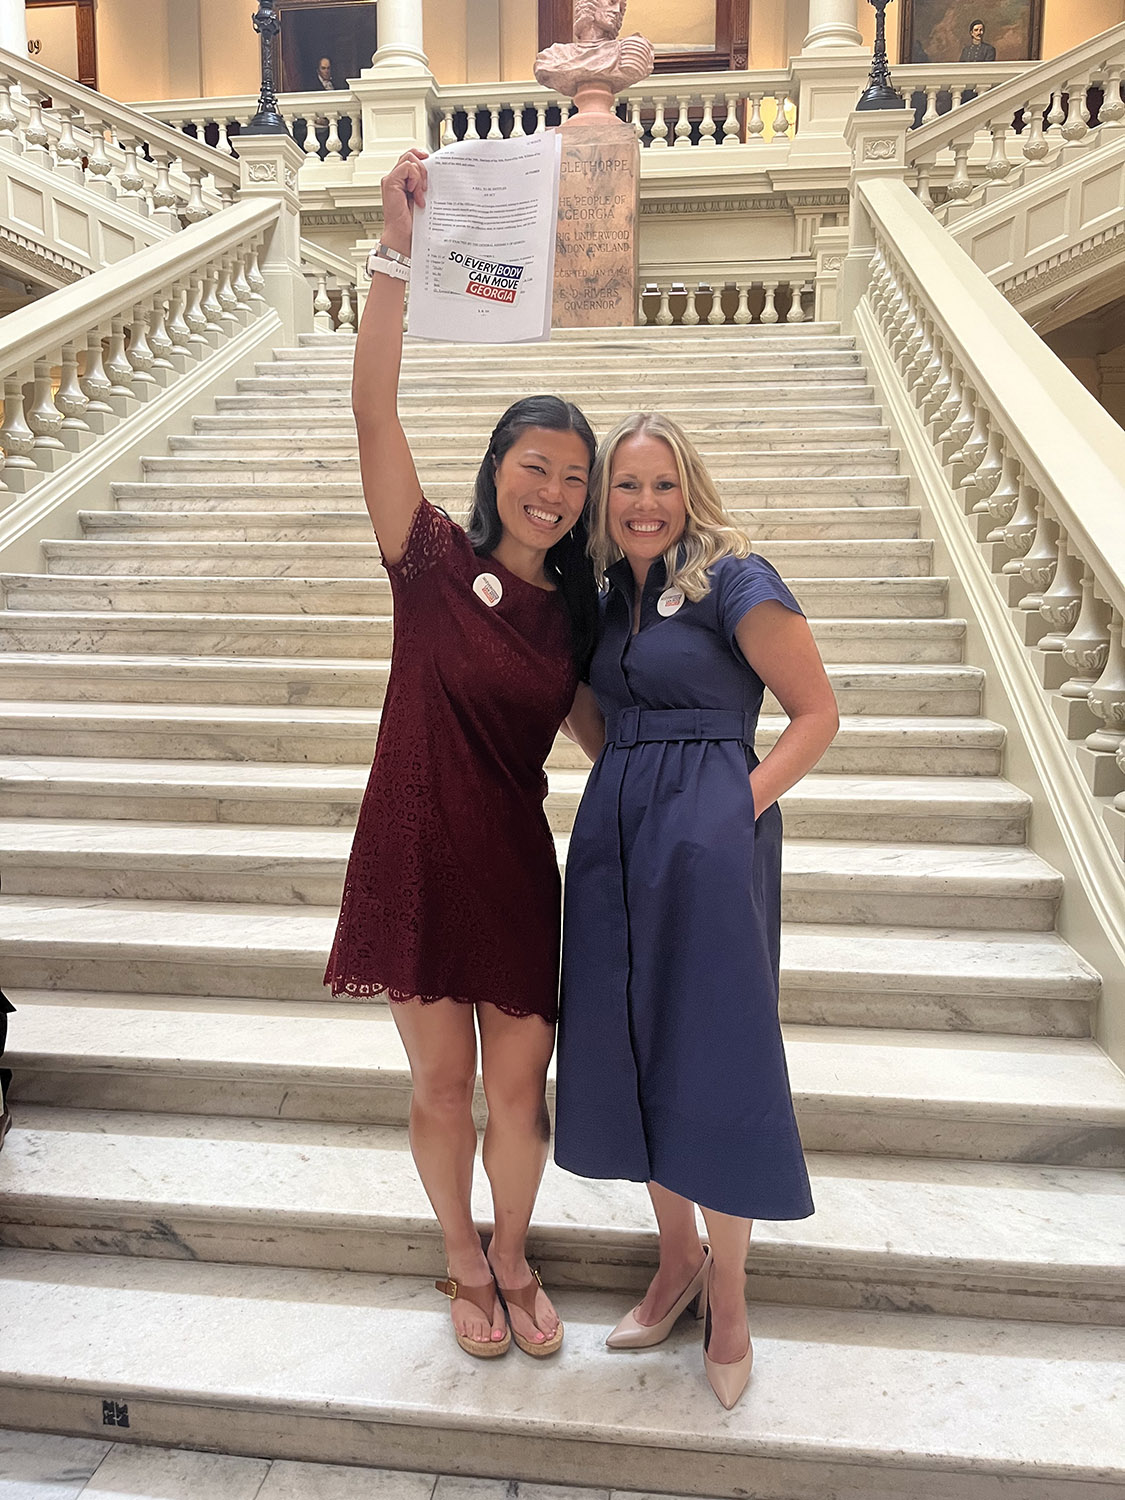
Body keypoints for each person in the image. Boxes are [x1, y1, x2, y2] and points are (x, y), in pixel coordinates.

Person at [325, 148, 601, 1362]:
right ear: (497, 468)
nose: (551, 490)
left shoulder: (575, 621)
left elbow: (612, 739)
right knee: (442, 1088)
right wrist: (393, 248)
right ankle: (457, 1251)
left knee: (515, 1091)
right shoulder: (431, 559)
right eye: (535, 466)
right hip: (417, 849)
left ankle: (515, 1249)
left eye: (573, 480)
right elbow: (373, 409)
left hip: (511, 865)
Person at [555, 413, 840, 1409]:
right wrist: (631, 784)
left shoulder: (737, 580)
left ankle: (728, 1290)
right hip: (617, 844)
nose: (643, 504)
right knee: (633, 1046)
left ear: (690, 492)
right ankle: (674, 1260)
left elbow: (817, 712)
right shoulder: (598, 597)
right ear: (605, 501)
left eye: (661, 485)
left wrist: (731, 805)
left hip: (716, 841)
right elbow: (589, 712)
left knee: (713, 1052)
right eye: (626, 486)